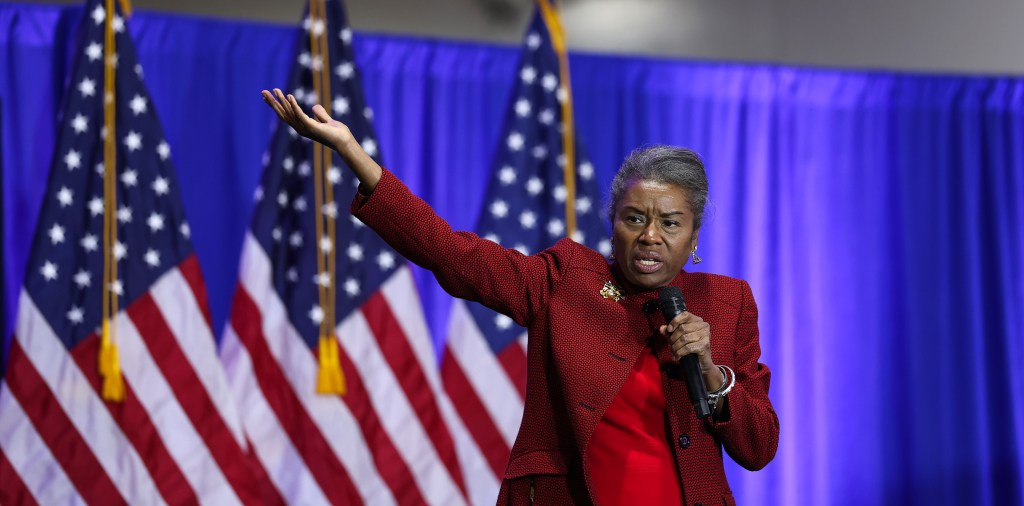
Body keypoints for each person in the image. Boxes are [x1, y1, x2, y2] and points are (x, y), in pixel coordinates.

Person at [262, 88, 779, 506]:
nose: (649, 236)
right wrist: (353, 153)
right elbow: (451, 253)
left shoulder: (726, 302)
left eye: (669, 223)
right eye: (634, 218)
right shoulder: (565, 280)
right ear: (613, 223)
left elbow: (759, 447)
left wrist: (713, 375)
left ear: (693, 237)